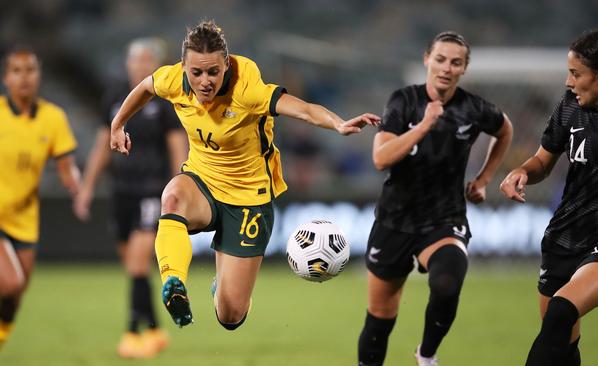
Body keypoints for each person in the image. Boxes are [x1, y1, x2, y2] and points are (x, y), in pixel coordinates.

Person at [109, 20, 380, 330]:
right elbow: (145, 86)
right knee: (171, 198)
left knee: (230, 316)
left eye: (213, 72)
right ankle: (174, 284)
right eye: (196, 72)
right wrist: (118, 124)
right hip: (203, 181)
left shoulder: (247, 89)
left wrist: (338, 123)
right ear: (184, 66)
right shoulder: (174, 79)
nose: (205, 81)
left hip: (249, 198)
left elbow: (303, 109)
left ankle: (221, 289)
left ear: (226, 65)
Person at [357, 31, 513, 366]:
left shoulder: (473, 108)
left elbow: (505, 130)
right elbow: (381, 159)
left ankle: (426, 355)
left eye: (456, 62)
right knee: (380, 318)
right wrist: (423, 126)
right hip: (395, 219)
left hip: (444, 219)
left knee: (447, 280)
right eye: (440, 59)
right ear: (427, 59)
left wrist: (484, 179)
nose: (446, 67)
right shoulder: (403, 101)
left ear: (464, 68)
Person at [500, 30, 598, 366]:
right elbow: (542, 162)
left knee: (561, 310)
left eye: (576, 73)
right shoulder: (570, 109)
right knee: (563, 345)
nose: (568, 81)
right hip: (565, 237)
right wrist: (521, 171)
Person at [73, 38, 187, 358]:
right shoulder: (114, 97)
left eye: (147, 60)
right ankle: (154, 329)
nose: (140, 65)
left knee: (138, 261)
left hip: (152, 189)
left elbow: (177, 146)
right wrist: (87, 187)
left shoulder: (165, 101)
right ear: (127, 64)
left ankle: (131, 333)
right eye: (135, 60)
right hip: (121, 190)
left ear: (156, 65)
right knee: (134, 267)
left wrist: (180, 184)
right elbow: (100, 146)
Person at [0, 47, 81, 349]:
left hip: (24, 220)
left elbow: (66, 167)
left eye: (30, 70)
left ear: (39, 75)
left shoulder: (52, 117)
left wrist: (75, 184)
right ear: (6, 78)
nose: (24, 77)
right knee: (10, 282)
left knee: (14, 299)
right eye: (17, 71)